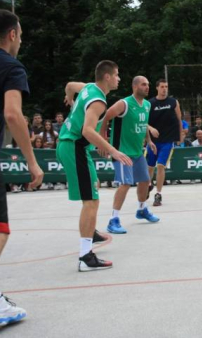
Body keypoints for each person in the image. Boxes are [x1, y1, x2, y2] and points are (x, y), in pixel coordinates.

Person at [0, 9, 44, 332]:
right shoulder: (11, 66)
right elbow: (12, 114)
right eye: (20, 35)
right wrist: (32, 162)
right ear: (12, 35)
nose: (21, 41)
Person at [58, 60, 132, 272]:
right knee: (91, 201)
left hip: (71, 146)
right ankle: (85, 257)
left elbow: (70, 86)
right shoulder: (99, 101)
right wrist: (113, 150)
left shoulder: (89, 87)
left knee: (94, 188)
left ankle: (90, 232)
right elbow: (87, 131)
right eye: (117, 75)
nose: (119, 78)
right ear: (107, 77)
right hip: (74, 147)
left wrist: (70, 100)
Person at [91, 75, 159, 234]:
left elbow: (143, 126)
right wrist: (102, 136)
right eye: (144, 84)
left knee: (145, 181)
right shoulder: (124, 103)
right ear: (135, 86)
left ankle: (142, 210)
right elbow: (106, 115)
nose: (147, 87)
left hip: (137, 152)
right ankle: (113, 220)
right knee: (125, 183)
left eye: (148, 84)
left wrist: (149, 141)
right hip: (122, 151)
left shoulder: (147, 105)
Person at [145, 79, 182, 207]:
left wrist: (180, 135)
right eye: (162, 86)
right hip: (153, 142)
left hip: (167, 141)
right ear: (157, 88)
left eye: (166, 86)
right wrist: (151, 129)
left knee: (160, 166)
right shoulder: (150, 103)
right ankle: (149, 185)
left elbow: (179, 119)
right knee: (149, 167)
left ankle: (158, 194)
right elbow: (143, 121)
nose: (164, 89)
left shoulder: (173, 102)